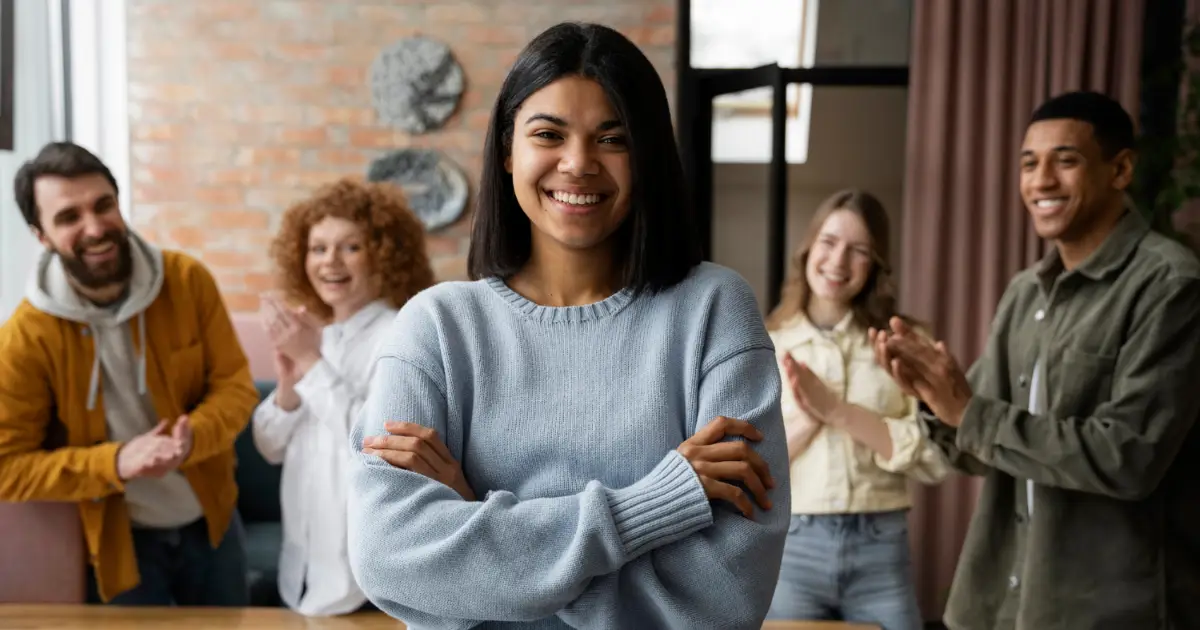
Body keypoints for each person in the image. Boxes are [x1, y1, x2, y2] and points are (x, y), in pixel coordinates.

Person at [344, 22, 791, 629]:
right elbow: (388, 556)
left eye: (613, 138)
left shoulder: (714, 311)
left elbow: (726, 597)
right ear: (508, 150)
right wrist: (650, 507)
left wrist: (484, 539)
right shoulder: (436, 328)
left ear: (648, 154)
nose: (578, 164)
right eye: (548, 134)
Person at [872, 91, 1200, 630]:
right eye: (1029, 163)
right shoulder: (1026, 291)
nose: (1041, 181)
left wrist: (969, 413)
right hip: (1002, 604)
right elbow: (978, 448)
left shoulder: (1169, 286)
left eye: (1065, 160)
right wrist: (932, 399)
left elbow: (1129, 457)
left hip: (1109, 612)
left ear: (1120, 170)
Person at [0, 141, 259, 605]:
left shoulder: (188, 281)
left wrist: (192, 437)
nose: (95, 227)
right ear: (41, 235)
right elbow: (7, 467)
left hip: (214, 521)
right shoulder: (24, 338)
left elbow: (235, 389)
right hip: (120, 543)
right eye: (69, 217)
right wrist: (115, 462)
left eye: (104, 205)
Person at [764, 189, 949, 629]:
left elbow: (936, 458)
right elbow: (753, 466)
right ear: (808, 248)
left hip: (881, 545)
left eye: (859, 249)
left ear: (877, 264)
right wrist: (812, 416)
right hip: (793, 547)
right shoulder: (766, 342)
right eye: (828, 242)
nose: (838, 261)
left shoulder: (905, 341)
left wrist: (836, 409)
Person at [251, 178, 434, 616]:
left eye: (350, 247)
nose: (330, 261)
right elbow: (269, 446)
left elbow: (374, 442)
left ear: (384, 255)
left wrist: (310, 363)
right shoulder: (317, 338)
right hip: (301, 571)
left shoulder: (402, 334)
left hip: (363, 580)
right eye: (317, 248)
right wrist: (290, 381)